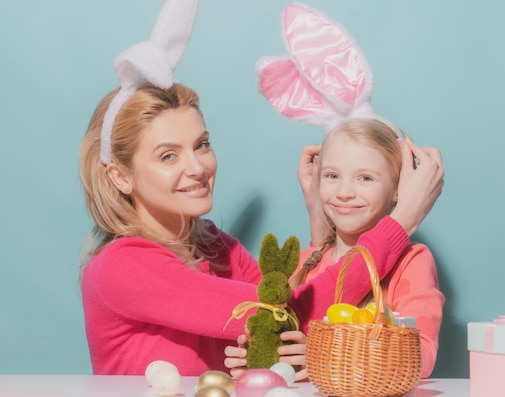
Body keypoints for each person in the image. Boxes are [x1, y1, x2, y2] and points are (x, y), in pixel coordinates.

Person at [78, 82, 444, 376]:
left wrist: (322, 220)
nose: (197, 167)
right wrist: (401, 222)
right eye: (168, 156)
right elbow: (278, 317)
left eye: (201, 145)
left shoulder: (219, 249)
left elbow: (293, 317)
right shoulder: (122, 265)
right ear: (121, 177)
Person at [224, 119, 444, 379]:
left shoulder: (412, 262)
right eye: (332, 175)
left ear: (398, 189)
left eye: (365, 178)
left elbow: (421, 355)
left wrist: (324, 357)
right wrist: (257, 357)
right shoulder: (304, 263)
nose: (344, 192)